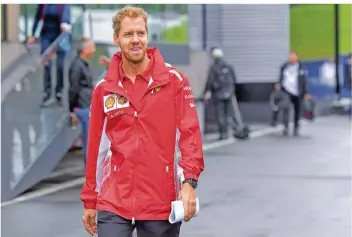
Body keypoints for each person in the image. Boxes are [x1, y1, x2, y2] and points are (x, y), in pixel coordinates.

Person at [80, 6, 204, 237]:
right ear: (116, 38)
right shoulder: (104, 89)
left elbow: (190, 135)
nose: (136, 40)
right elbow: (95, 147)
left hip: (160, 202)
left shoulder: (174, 81)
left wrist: (189, 183)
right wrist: (90, 197)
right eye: (128, 34)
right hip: (114, 200)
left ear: (147, 36)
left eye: (140, 33)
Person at [27, 4, 71, 107]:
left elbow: (67, 16)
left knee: (60, 65)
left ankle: (59, 93)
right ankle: (47, 93)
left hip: (61, 35)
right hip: (46, 35)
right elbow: (37, 17)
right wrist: (33, 34)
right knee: (47, 65)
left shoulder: (63, 4)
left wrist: (65, 24)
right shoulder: (43, 4)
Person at [68, 37, 96, 167]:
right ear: (84, 49)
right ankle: (90, 176)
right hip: (83, 107)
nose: (94, 50)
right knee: (89, 142)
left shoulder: (83, 64)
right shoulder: (77, 65)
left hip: (87, 106)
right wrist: (72, 109)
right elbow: (73, 88)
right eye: (92, 46)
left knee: (91, 142)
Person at [204, 47, 238, 140]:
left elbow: (210, 81)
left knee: (220, 114)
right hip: (229, 93)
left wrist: (206, 91)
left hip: (218, 94)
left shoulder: (214, 68)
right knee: (227, 113)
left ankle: (222, 133)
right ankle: (226, 131)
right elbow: (234, 79)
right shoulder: (229, 66)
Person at [278, 51, 310, 136]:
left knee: (297, 110)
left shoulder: (301, 67)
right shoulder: (284, 66)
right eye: (290, 57)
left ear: (296, 57)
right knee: (285, 108)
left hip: (297, 91)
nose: (291, 59)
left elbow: (304, 81)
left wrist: (306, 92)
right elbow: (281, 77)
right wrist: (279, 84)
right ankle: (285, 127)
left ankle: (296, 127)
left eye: (293, 57)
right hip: (286, 90)